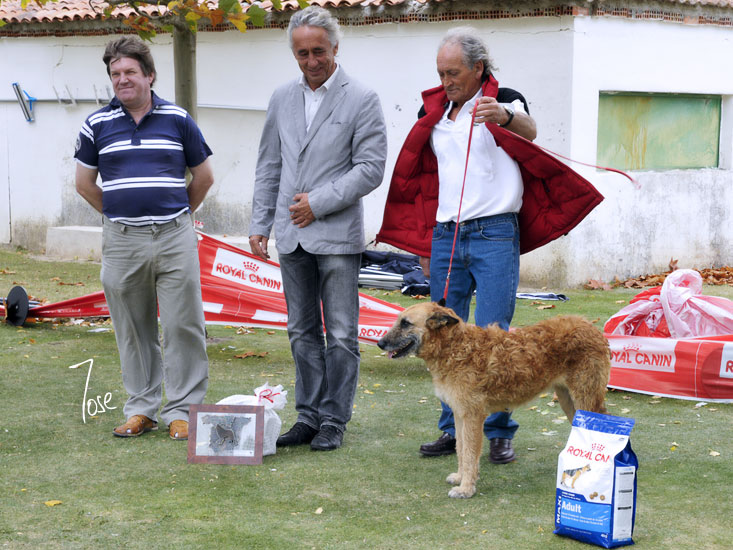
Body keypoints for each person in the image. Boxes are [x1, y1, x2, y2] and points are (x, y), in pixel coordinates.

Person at [377, 28, 603, 463]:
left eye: (453, 73)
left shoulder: (506, 100)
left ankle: (499, 432)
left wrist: (503, 116)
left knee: (495, 334)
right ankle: (453, 430)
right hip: (446, 233)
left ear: (478, 68)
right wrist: (426, 242)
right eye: (441, 73)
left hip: (495, 232)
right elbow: (428, 178)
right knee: (443, 338)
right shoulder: (434, 110)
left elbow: (530, 131)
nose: (446, 81)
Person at [249, 6, 387, 451]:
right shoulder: (281, 97)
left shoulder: (362, 97)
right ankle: (307, 416)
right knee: (300, 331)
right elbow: (269, 165)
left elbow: (371, 168)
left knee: (342, 334)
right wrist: (260, 223)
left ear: (335, 48)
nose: (311, 61)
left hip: (337, 236)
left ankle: (333, 420)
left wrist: (318, 202)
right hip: (290, 235)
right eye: (302, 53)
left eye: (319, 51)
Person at [75, 37, 214, 441]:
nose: (122, 79)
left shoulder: (178, 119)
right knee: (133, 329)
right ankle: (141, 409)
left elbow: (203, 177)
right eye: (115, 73)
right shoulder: (96, 125)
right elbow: (84, 183)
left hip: (174, 237)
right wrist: (119, 215)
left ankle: (182, 411)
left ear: (149, 75)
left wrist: (178, 213)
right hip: (122, 241)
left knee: (183, 325)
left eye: (130, 72)